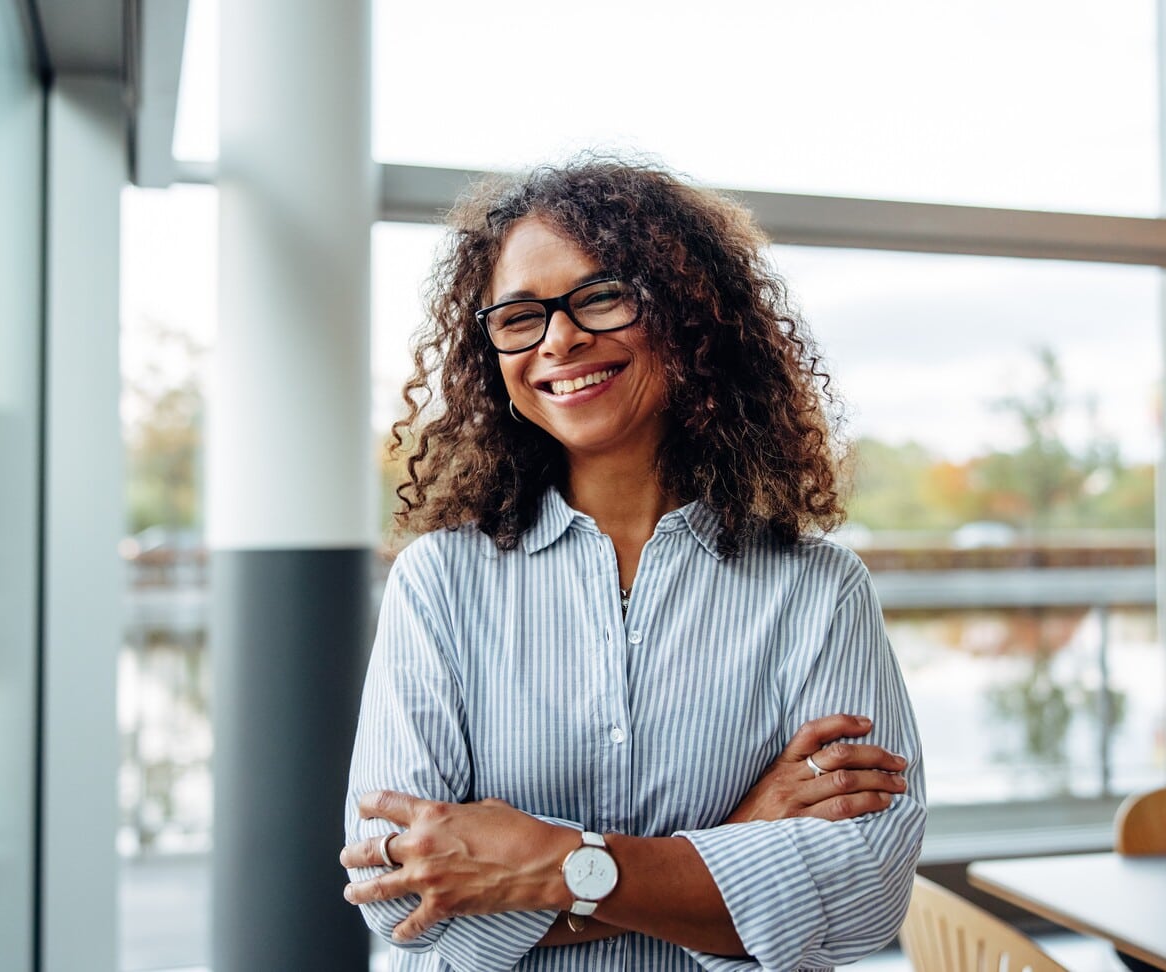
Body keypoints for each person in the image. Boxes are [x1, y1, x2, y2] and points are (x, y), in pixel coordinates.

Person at [340, 157, 925, 971]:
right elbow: (408, 900)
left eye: (601, 296)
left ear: (690, 315)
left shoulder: (817, 591)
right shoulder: (439, 582)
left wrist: (546, 869)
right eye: (519, 317)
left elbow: (864, 895)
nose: (560, 337)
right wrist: (739, 847)